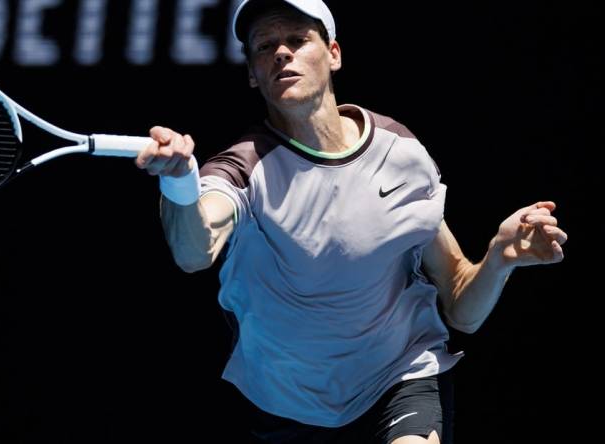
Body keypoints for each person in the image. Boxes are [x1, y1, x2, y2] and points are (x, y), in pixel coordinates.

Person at [135, 0, 568, 442]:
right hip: (287, 404)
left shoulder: (400, 153)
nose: (281, 53)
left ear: (334, 54)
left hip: (400, 376)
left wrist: (498, 259)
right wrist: (179, 185)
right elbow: (194, 252)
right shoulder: (243, 168)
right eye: (264, 46)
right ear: (252, 73)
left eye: (298, 40)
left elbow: (460, 305)